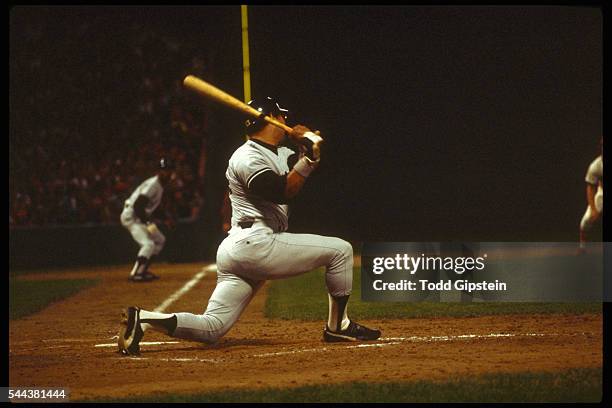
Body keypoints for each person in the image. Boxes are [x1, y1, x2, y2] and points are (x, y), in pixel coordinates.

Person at [118, 97, 381, 355]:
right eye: (281, 115)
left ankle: (143, 319)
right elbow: (281, 191)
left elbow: (294, 170)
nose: (286, 119)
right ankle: (339, 326)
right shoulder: (246, 156)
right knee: (341, 250)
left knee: (213, 328)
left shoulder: (277, 153)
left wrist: (307, 145)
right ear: (270, 120)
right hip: (257, 243)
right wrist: (309, 158)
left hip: (241, 247)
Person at [120, 158, 176, 282]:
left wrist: (166, 219)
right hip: (131, 217)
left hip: (139, 217)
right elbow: (138, 205)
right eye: (164, 170)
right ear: (159, 171)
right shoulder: (153, 185)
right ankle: (135, 274)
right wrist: (148, 223)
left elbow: (150, 208)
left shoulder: (160, 186)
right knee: (148, 244)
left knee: (160, 240)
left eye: (168, 170)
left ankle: (142, 271)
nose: (166, 173)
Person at [578, 138, 603, 254]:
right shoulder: (596, 166)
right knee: (586, 221)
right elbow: (590, 188)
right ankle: (582, 247)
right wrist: (593, 209)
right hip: (602, 194)